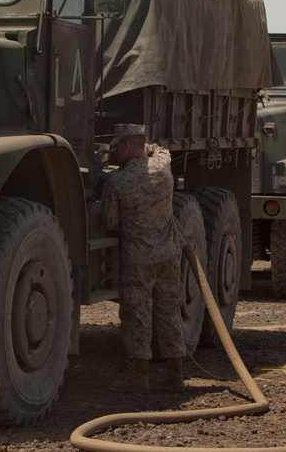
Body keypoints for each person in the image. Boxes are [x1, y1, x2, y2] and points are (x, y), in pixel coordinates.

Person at [100, 124, 186, 394]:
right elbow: (159, 149)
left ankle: (140, 377)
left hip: (138, 261)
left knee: (138, 315)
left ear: (126, 146)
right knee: (169, 312)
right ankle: (176, 375)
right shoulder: (162, 166)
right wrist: (145, 144)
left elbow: (110, 221)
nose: (115, 153)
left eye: (117, 148)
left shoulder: (117, 182)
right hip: (169, 255)